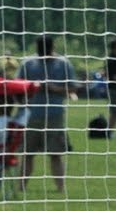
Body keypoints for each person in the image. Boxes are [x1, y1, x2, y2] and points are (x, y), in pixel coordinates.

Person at [16, 34, 76, 193]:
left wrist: (54, 88)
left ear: (51, 47)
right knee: (27, 154)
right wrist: (31, 87)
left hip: (54, 115)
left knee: (55, 154)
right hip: (30, 115)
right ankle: (20, 188)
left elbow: (73, 88)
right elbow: (16, 86)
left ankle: (61, 189)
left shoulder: (63, 64)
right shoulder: (28, 63)